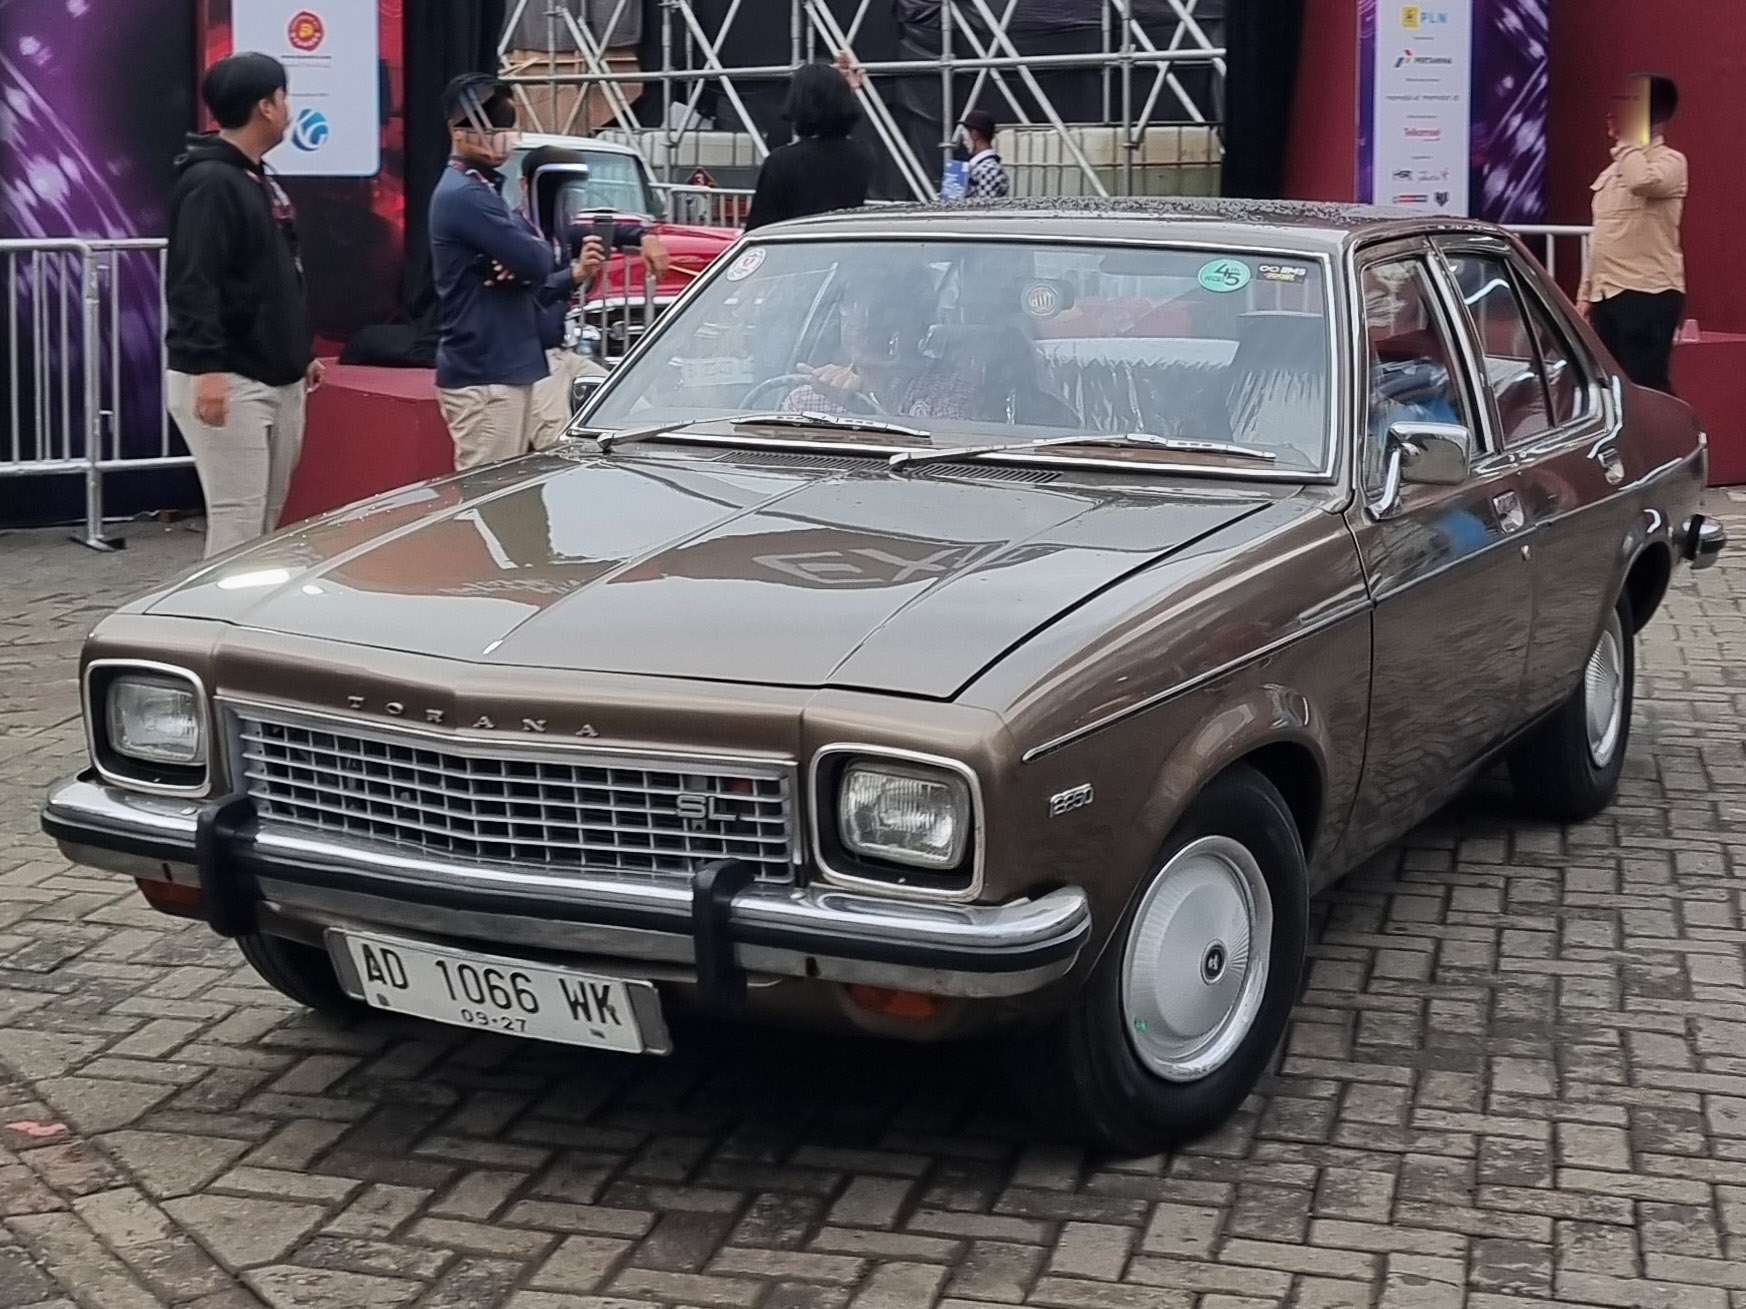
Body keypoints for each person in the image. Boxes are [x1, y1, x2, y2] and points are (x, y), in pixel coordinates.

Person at [429, 75, 658, 469]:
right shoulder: (466, 195)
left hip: (509, 367)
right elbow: (536, 260)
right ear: (457, 128)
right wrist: (535, 263)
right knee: (492, 498)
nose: (502, 135)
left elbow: (537, 256)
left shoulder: (485, 193)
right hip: (488, 374)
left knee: (513, 502)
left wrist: (522, 261)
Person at [164, 52, 323, 558]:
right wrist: (207, 369)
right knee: (239, 524)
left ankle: (241, 625)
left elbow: (272, 276)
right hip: (231, 380)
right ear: (266, 107)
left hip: (275, 374)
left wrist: (299, 352)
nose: (288, 106)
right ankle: (208, 628)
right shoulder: (210, 182)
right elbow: (194, 280)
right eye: (283, 96)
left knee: (263, 524)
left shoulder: (254, 177)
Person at [1577, 73, 1688, 395]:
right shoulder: (1614, 170)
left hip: (1647, 293)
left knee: (1646, 388)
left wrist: (1628, 142)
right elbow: (1603, 235)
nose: (1613, 114)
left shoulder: (1671, 162)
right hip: (1607, 293)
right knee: (1609, 390)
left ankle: (1667, 446)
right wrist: (1586, 294)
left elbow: (1642, 182)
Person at [744, 55, 872, 230]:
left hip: (795, 247)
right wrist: (848, 92)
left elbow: (760, 225)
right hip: (843, 244)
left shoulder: (782, 161)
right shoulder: (863, 155)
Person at [960, 109, 1011, 201]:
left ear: (975, 135)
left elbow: (983, 210)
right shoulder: (982, 167)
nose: (964, 142)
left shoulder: (988, 170)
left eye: (965, 137)